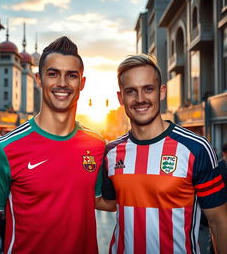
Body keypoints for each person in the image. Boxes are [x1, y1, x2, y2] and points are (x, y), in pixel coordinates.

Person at [0, 36, 106, 254]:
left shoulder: (97, 145)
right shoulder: (4, 149)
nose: (62, 83)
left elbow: (104, 201)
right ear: (39, 80)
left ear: (82, 83)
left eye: (71, 75)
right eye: (53, 74)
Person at [96, 54, 227, 253]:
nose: (140, 99)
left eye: (148, 89)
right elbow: (108, 202)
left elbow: (218, 221)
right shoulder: (111, 152)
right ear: (120, 97)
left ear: (161, 92)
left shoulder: (196, 148)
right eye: (131, 91)